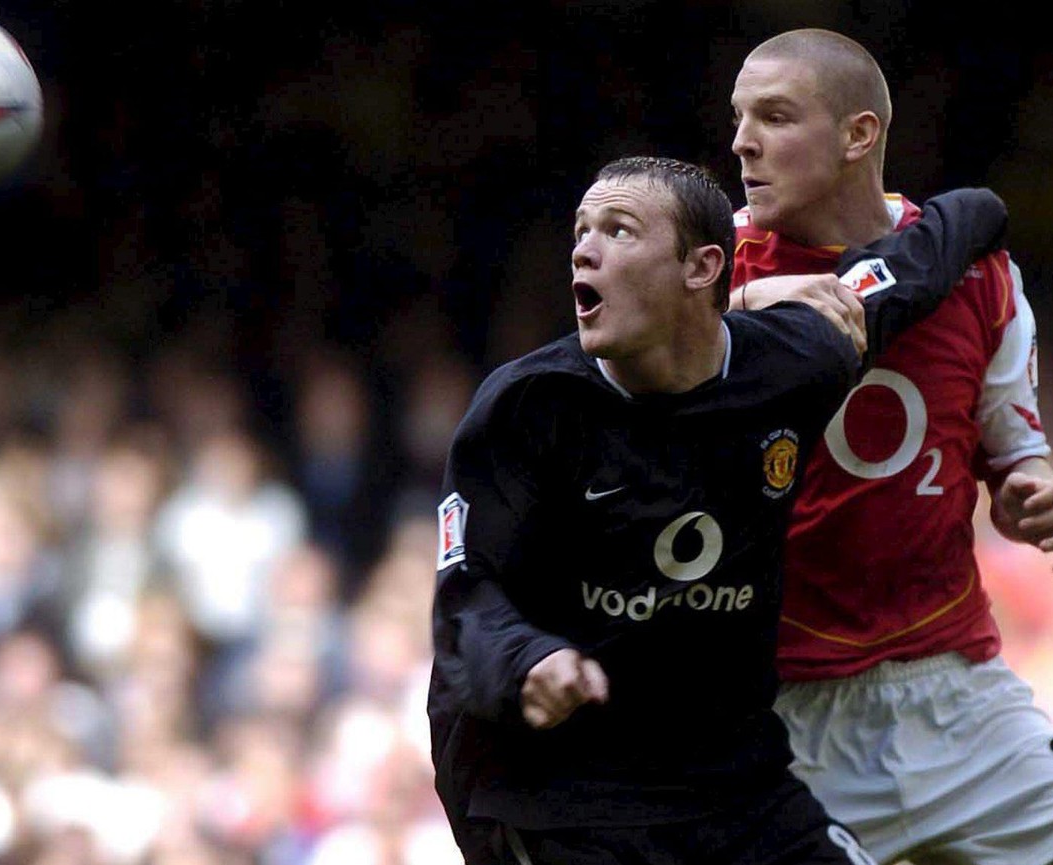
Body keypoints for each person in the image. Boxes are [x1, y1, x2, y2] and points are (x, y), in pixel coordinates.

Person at [427, 154, 1007, 865]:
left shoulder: (794, 360)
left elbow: (906, 272)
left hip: (731, 785)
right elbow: (465, 597)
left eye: (618, 229)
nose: (583, 247)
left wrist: (979, 206)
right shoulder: (527, 408)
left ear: (702, 267)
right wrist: (530, 660)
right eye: (581, 230)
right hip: (558, 794)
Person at [726, 28, 1053, 865]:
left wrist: (1029, 486)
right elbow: (617, 349)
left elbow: (1013, 443)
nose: (742, 141)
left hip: (951, 690)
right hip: (777, 712)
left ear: (859, 136)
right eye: (739, 117)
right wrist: (756, 300)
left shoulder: (978, 272)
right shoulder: (714, 266)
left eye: (775, 116)